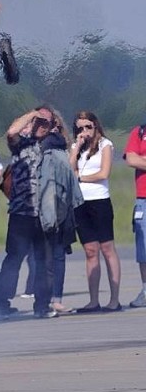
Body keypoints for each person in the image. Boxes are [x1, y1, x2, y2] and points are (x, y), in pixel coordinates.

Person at [0, 105, 58, 319]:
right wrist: (32, 114)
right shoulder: (21, 145)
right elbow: (11, 132)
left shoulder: (55, 148)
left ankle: (42, 305)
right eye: (37, 122)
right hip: (22, 213)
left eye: (45, 123)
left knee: (44, 261)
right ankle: (1, 304)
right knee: (14, 259)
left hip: (45, 215)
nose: (40, 126)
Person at [69, 111, 122, 313]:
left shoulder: (105, 145)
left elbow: (104, 173)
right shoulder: (77, 147)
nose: (84, 132)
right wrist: (76, 148)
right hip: (81, 202)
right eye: (80, 128)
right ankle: (93, 300)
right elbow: (69, 169)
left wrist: (80, 178)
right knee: (90, 250)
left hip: (99, 200)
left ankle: (114, 299)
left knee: (107, 248)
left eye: (88, 127)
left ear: (95, 126)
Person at [39, 109, 82, 315]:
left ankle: (56, 299)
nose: (49, 127)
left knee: (57, 256)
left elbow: (70, 174)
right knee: (41, 257)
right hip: (36, 208)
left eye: (52, 123)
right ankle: (43, 301)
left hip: (59, 207)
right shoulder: (33, 144)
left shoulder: (59, 147)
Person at [123, 122, 146, 308]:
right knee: (143, 247)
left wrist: (143, 159)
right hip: (143, 198)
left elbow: (139, 159)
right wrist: (138, 158)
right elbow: (131, 159)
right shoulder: (139, 132)